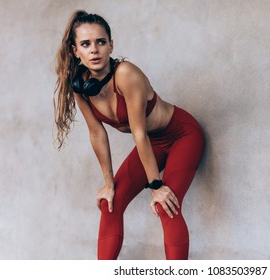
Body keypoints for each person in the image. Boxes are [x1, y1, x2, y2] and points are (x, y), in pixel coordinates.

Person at [53, 10, 205, 260]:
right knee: (109, 204)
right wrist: (108, 182)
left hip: (182, 136)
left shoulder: (126, 75)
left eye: (101, 42)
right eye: (86, 44)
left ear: (111, 45)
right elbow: (96, 133)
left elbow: (139, 133)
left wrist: (156, 185)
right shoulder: (80, 86)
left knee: (166, 205)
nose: (94, 50)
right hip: (152, 142)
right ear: (75, 51)